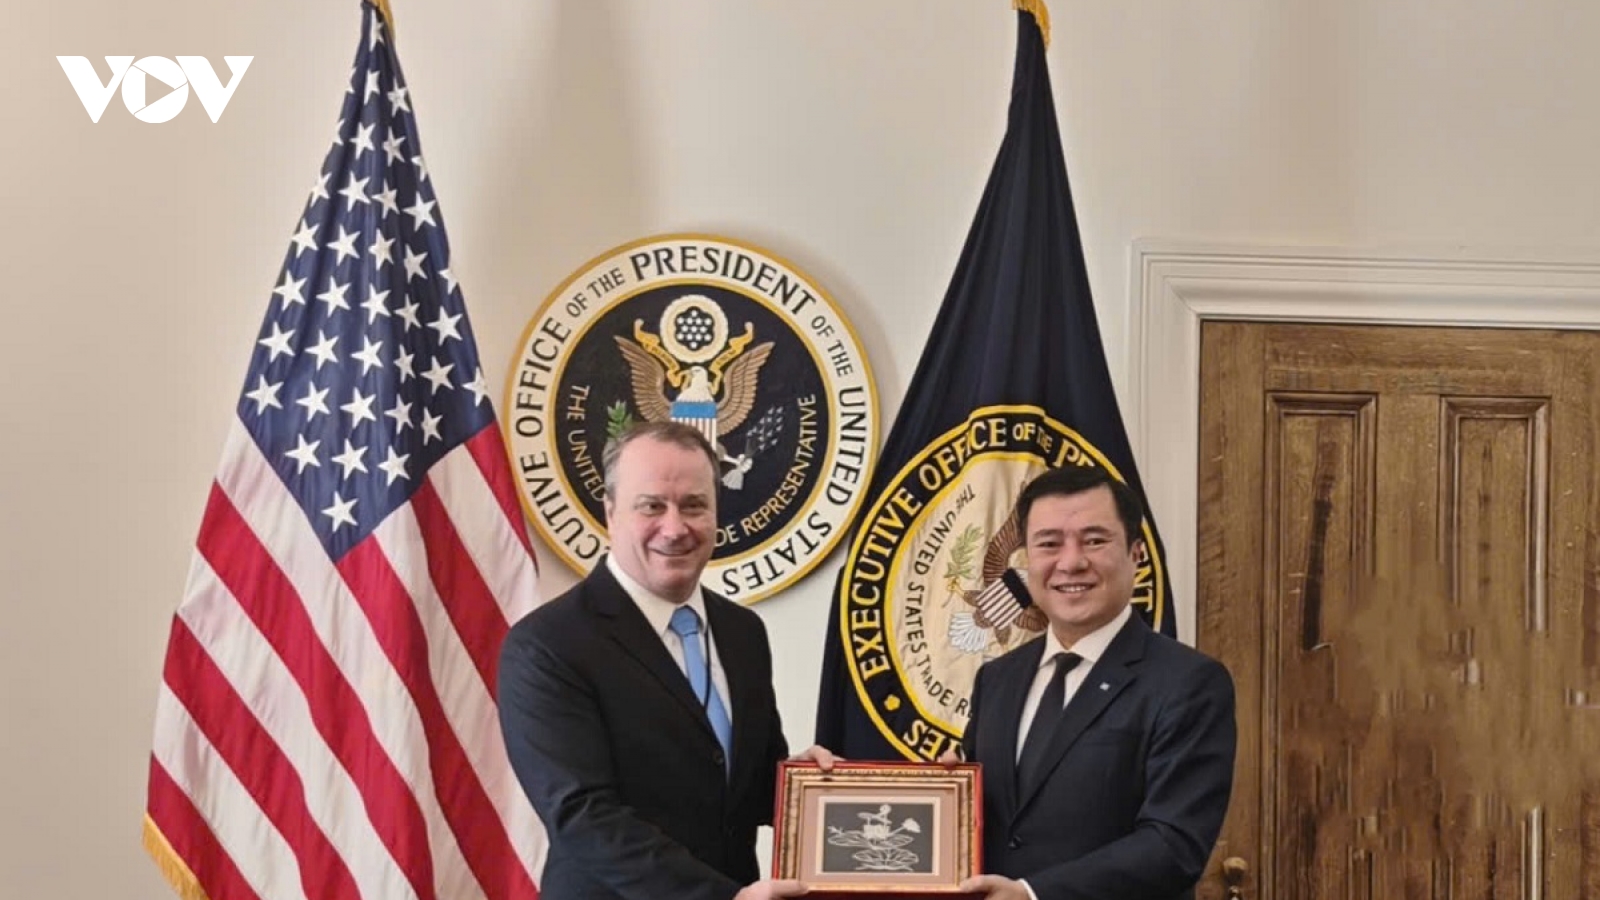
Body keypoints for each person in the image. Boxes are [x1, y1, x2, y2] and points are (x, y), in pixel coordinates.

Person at [498, 421, 833, 900]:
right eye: (652, 506)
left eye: (694, 505)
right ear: (611, 512)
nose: (675, 528)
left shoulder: (743, 632)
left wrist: (800, 785)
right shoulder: (547, 645)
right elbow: (584, 816)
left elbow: (741, 786)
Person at [952, 465, 1236, 900]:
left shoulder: (1190, 683)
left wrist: (1032, 894)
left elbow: (1174, 845)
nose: (1071, 562)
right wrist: (947, 793)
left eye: (1095, 541)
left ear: (1136, 554)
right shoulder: (997, 678)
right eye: (1049, 544)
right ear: (1027, 560)